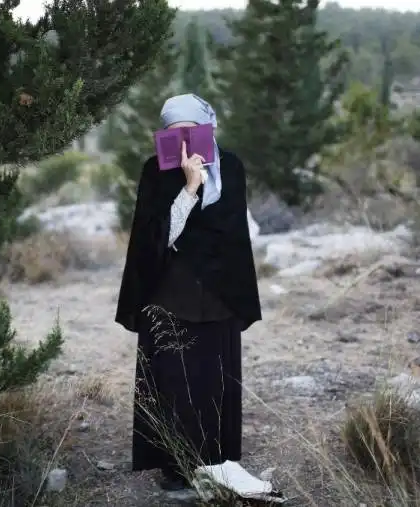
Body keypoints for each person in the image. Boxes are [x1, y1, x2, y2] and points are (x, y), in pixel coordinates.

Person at [115, 93, 262, 491]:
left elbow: (231, 235)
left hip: (218, 294)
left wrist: (204, 186)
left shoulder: (229, 167)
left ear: (206, 129)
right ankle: (176, 468)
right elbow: (155, 240)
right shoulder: (154, 171)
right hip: (169, 295)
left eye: (191, 132)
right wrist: (189, 187)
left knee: (213, 380)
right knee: (174, 381)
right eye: (173, 134)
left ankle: (216, 461)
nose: (183, 142)